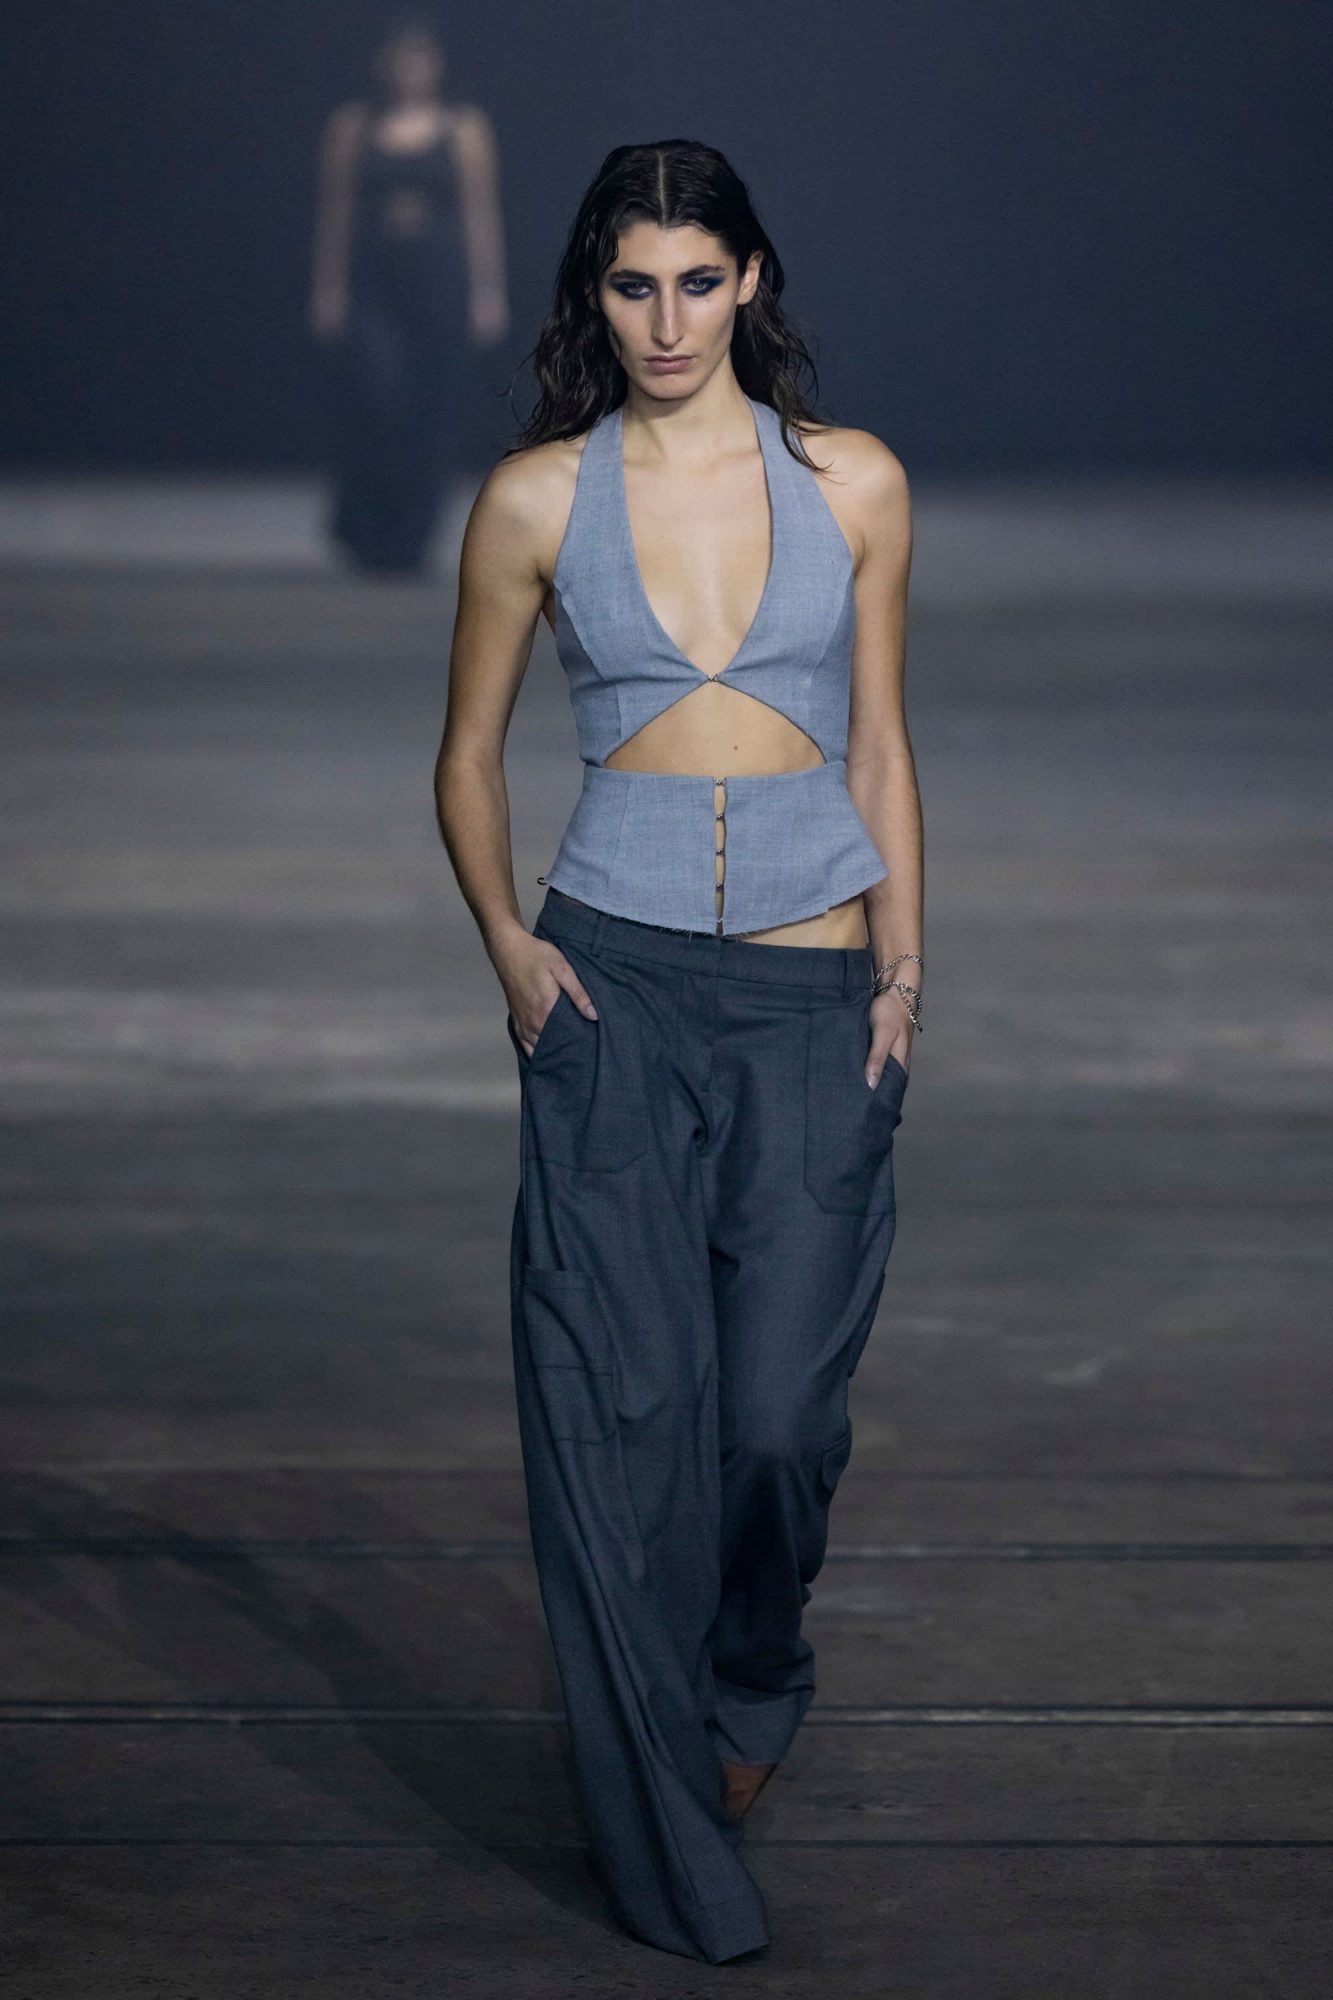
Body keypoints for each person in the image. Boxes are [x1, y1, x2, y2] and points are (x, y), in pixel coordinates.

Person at [433, 138, 922, 1965]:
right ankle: (658, 1807)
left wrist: (902, 976)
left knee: (776, 1424)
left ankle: (753, 1660)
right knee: (622, 1425)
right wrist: (507, 946)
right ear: (596, 291)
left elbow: (878, 744)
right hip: (610, 991)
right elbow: (466, 753)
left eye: (697, 280)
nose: (665, 319)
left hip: (812, 995)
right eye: (633, 284)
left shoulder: (852, 480)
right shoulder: (535, 500)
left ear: (750, 281)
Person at [308, 13, 509, 574]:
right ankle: (367, 527)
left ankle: (413, 536)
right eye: (401, 59)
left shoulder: (462, 128)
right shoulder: (353, 126)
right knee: (377, 397)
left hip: (438, 282)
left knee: (429, 408)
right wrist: (328, 288)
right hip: (376, 282)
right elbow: (335, 214)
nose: (410, 70)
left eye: (420, 59)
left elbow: (480, 215)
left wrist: (488, 291)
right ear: (384, 64)